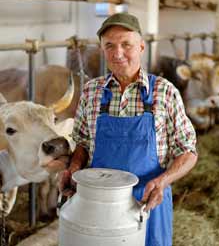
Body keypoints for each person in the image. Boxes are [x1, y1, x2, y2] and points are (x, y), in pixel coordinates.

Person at [57, 13, 198, 246]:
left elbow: (188, 151)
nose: (117, 52)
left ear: (141, 47)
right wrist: (72, 168)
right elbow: (82, 142)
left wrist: (163, 181)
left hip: (148, 204)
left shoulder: (164, 92)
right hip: (96, 206)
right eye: (109, 45)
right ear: (103, 50)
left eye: (126, 44)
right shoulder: (92, 92)